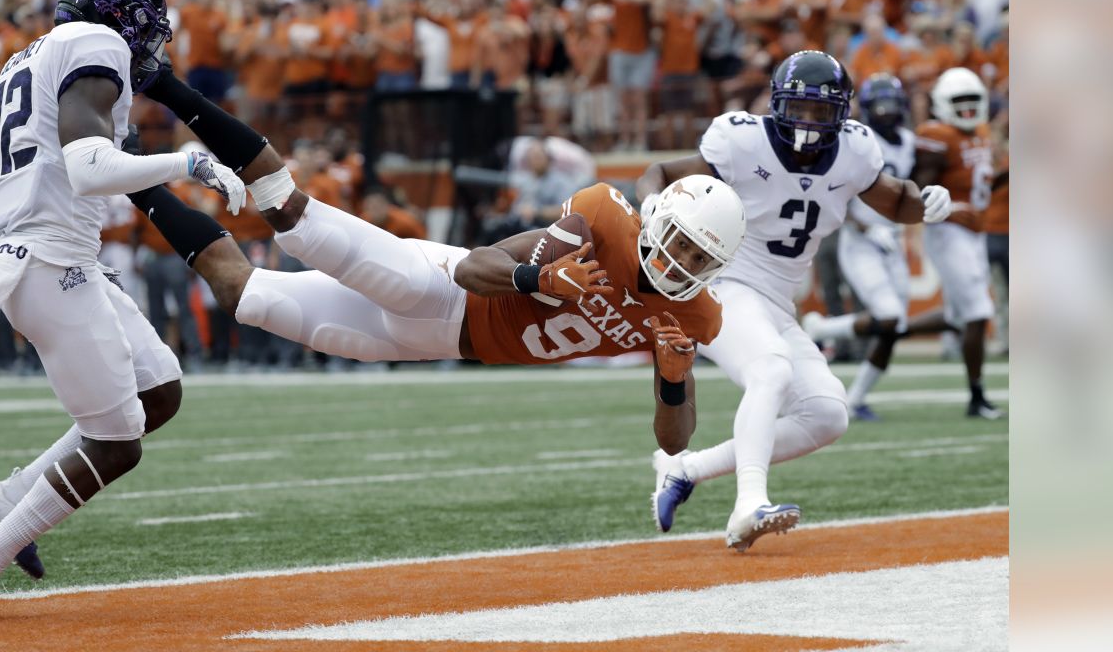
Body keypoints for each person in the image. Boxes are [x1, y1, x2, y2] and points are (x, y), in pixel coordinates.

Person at [131, 62, 748, 510]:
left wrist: (672, 380)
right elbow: (472, 267)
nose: (682, 259)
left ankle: (132, 179)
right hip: (437, 289)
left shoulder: (694, 315)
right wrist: (540, 277)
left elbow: (674, 441)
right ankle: (162, 81)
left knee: (246, 298)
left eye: (700, 254)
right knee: (293, 218)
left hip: (428, 344)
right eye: (683, 239)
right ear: (661, 219)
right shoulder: (601, 221)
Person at [0, 0, 246, 620]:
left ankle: (10, 498)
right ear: (125, 20)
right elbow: (86, 168)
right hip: (53, 266)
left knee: (158, 392)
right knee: (116, 440)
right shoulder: (98, 45)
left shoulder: (24, 61)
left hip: (50, 259)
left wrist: (33, 229)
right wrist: (189, 161)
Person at [637, 50, 953, 551]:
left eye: (820, 112)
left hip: (776, 301)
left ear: (843, 114)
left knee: (828, 414)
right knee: (772, 371)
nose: (808, 123)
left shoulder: (855, 151)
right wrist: (652, 203)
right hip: (725, 283)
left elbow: (895, 199)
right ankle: (748, 506)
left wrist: (926, 201)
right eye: (799, 109)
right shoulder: (741, 140)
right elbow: (658, 171)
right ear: (777, 105)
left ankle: (685, 469)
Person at [800, 74, 917, 422]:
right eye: (880, 107)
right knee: (890, 316)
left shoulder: (909, 141)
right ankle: (822, 329)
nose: (887, 113)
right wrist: (868, 226)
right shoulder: (858, 141)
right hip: (861, 241)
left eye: (892, 106)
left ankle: (855, 396)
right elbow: (837, 191)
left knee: (895, 325)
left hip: (891, 241)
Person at [911, 68, 1003, 419]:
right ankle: (977, 396)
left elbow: (981, 182)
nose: (967, 111)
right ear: (942, 105)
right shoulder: (935, 136)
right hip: (949, 232)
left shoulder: (981, 130)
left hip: (974, 232)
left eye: (972, 103)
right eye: (959, 103)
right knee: (979, 312)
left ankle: (885, 328)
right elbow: (920, 195)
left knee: (956, 316)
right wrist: (950, 208)